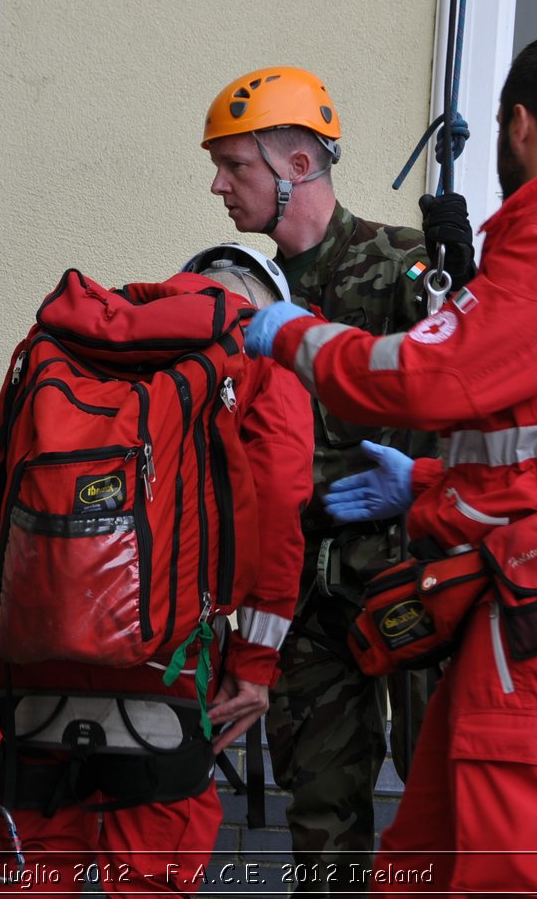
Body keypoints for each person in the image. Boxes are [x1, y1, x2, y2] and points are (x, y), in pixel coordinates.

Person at [242, 31, 537, 895]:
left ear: (518, 125)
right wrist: (423, 486)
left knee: (505, 881)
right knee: (420, 866)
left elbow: (430, 374)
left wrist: (293, 334)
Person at [200, 67, 473, 894]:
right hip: (303, 610)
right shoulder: (240, 291)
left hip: (411, 583)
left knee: (447, 815)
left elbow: (476, 388)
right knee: (323, 836)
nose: (217, 185)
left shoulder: (407, 268)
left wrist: (469, 282)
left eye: (234, 166)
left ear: (298, 167)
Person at [0, 244, 311, 895]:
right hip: (167, 664)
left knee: (32, 863)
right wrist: (256, 665)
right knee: (150, 872)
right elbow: (281, 508)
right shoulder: (258, 355)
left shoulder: (57, 340)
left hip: (32, 654)